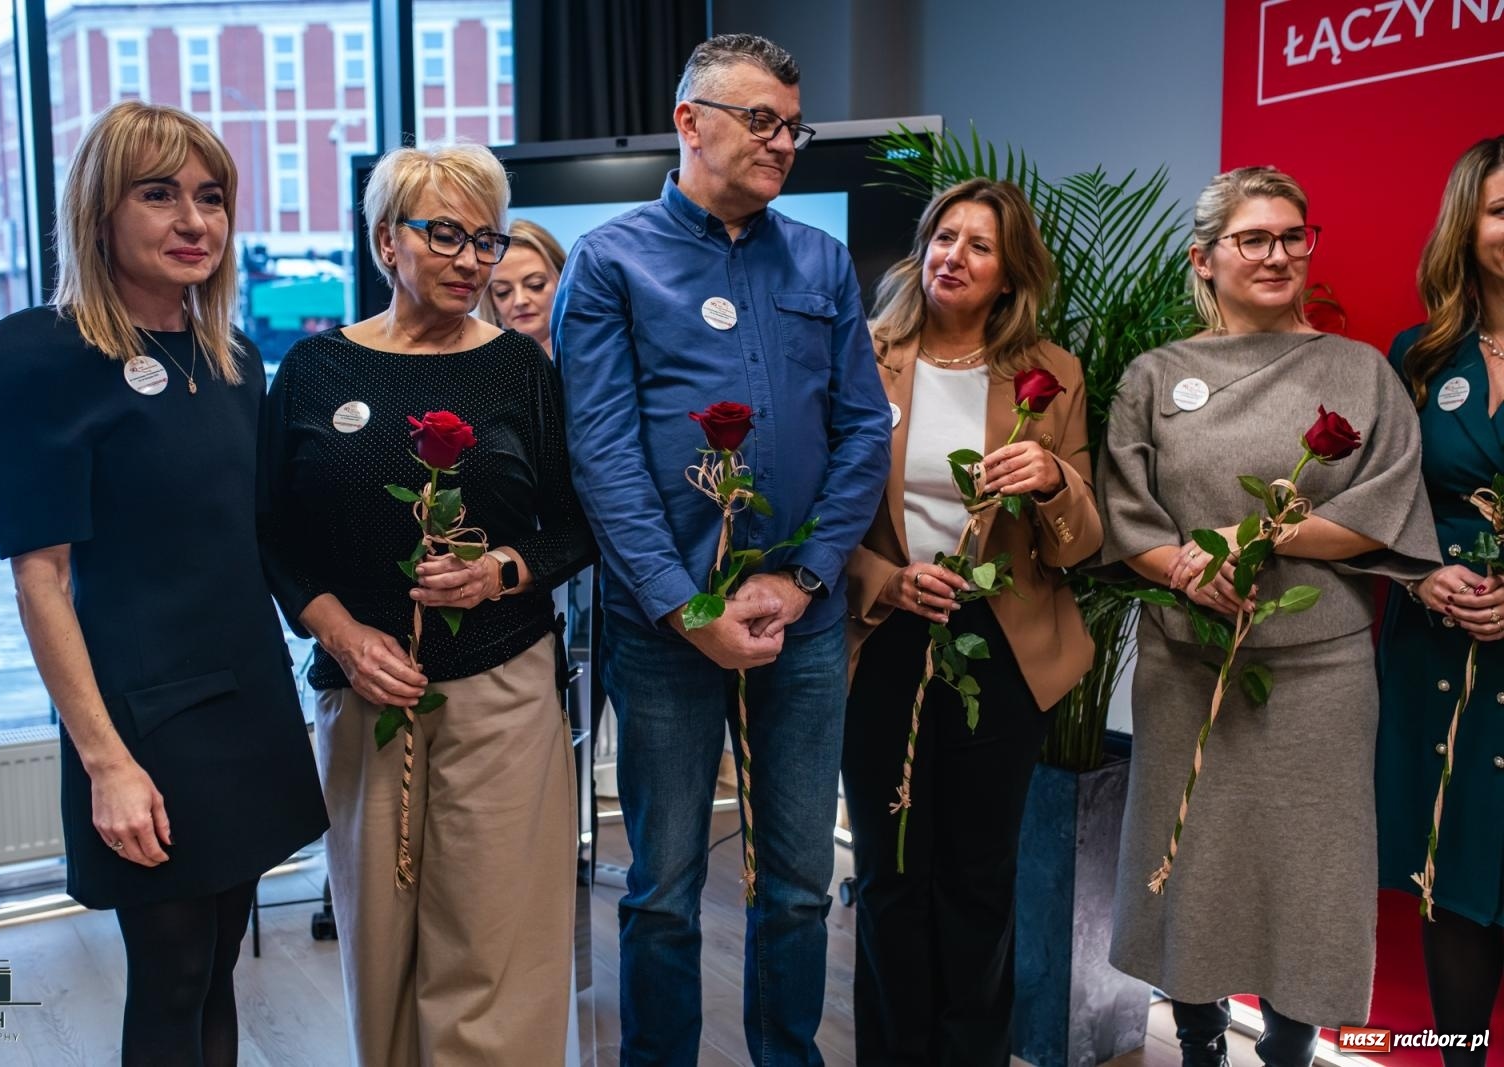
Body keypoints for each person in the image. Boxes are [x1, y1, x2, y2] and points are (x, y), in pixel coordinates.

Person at [0, 100, 328, 1067]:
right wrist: (105, 761)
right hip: (142, 721)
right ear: (100, 210)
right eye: (158, 195)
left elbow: (255, 537)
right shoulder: (36, 359)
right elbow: (41, 582)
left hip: (246, 705)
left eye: (211, 198)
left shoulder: (233, 357)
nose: (193, 221)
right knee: (167, 975)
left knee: (216, 967)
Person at [554, 33, 892, 1066]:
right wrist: (681, 605)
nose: (783, 142)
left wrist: (801, 577)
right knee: (659, 889)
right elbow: (600, 451)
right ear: (690, 120)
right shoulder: (610, 261)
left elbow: (862, 429)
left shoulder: (821, 260)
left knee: (796, 883)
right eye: (761, 121)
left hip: (804, 618)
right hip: (663, 628)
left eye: (794, 125)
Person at [1094, 165, 1439, 1066]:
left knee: (1312, 876)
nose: (1279, 254)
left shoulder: (1359, 371)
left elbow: (1384, 505)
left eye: (1294, 236)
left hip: (1321, 672)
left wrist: (1240, 539)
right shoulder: (1154, 374)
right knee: (1192, 863)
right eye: (1254, 239)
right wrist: (1182, 565)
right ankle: (1200, 1039)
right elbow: (1127, 511)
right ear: (1204, 259)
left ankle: (1291, 1047)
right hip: (1188, 664)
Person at [260, 143, 594, 1065]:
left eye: (484, 239)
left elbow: (574, 526)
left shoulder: (522, 374)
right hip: (364, 690)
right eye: (443, 232)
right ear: (384, 242)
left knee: (495, 947)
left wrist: (503, 573)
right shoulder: (315, 372)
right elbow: (273, 534)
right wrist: (340, 631)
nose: (469, 260)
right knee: (380, 943)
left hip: (501, 689)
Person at [841, 178, 1102, 1064]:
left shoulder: (1050, 373)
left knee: (979, 877)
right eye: (942, 237)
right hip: (883, 641)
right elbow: (817, 511)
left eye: (978, 245)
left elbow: (1079, 545)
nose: (954, 255)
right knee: (888, 871)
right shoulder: (861, 354)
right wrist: (882, 576)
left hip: (1004, 649)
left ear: (1009, 270)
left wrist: (1054, 481)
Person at [1376, 134, 1504, 1067]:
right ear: (1469, 226)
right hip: (1438, 654)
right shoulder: (1419, 353)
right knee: (1452, 879)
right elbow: (1384, 501)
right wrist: (1420, 573)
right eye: (1500, 210)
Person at [479, 218, 567, 358]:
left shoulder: (597, 356)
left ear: (563, 282)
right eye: (503, 292)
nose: (520, 301)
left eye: (535, 285)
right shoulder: (479, 370)